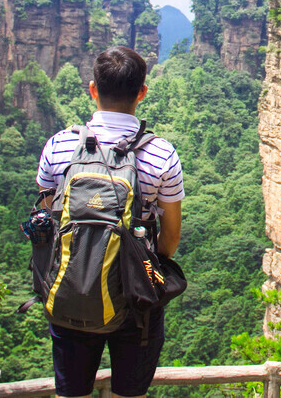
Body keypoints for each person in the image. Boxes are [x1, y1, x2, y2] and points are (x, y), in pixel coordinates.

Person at [36, 46, 184, 398]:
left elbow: (48, 222)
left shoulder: (58, 147)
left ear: (92, 89)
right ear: (142, 93)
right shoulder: (162, 154)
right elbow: (170, 238)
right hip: (137, 301)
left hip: (71, 293)